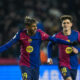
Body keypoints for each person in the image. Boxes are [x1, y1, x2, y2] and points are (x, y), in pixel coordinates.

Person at [0, 16, 76, 80]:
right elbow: (8, 45)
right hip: (25, 64)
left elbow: (54, 40)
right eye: (33, 26)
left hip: (36, 65)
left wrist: (69, 43)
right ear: (27, 27)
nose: (35, 28)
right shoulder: (20, 34)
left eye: (35, 26)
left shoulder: (40, 33)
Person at [47, 15, 80, 80]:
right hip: (63, 64)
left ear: (71, 24)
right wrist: (49, 57)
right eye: (64, 23)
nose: (66, 25)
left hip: (74, 64)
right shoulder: (57, 36)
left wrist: (78, 50)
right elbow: (49, 45)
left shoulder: (77, 34)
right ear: (62, 25)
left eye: (67, 23)